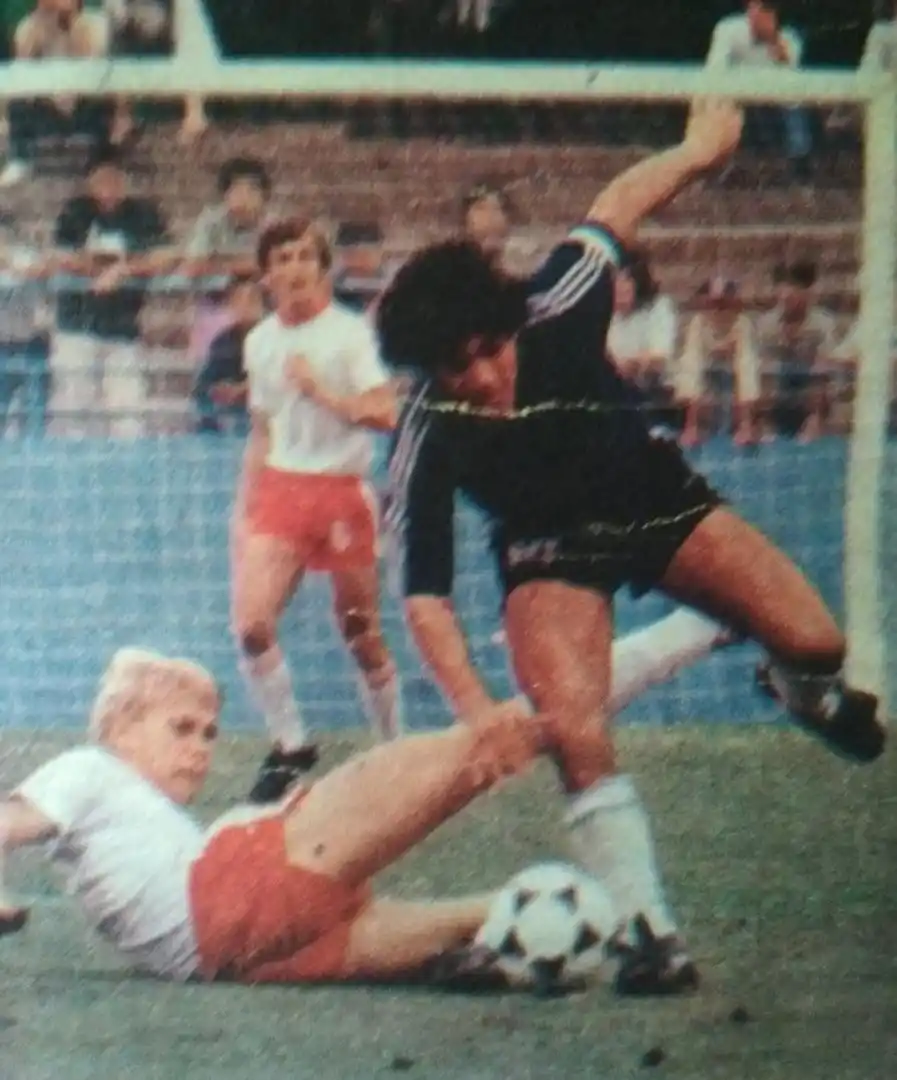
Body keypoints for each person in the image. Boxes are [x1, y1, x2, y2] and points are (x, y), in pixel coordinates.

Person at [375, 98, 886, 989]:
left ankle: (799, 691)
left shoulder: (556, 305)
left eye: (490, 350)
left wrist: (695, 150)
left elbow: (612, 207)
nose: (485, 376)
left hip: (649, 500)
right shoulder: (424, 429)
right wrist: (479, 709)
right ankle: (649, 935)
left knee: (818, 640)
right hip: (547, 551)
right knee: (576, 729)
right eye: (458, 367)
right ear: (428, 372)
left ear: (507, 324)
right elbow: (422, 594)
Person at [0, 607, 734, 991]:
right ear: (121, 723)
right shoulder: (88, 768)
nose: (201, 746)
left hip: (247, 957)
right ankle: (693, 630)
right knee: (496, 736)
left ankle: (605, 933)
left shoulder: (135, 811)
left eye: (210, 731)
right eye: (180, 727)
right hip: (243, 887)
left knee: (489, 921)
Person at [232, 217, 403, 803]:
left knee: (360, 633)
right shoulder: (258, 342)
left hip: (340, 491)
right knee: (252, 625)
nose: (294, 268)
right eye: (282, 259)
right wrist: (245, 507)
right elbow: (261, 430)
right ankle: (290, 745)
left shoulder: (349, 334)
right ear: (266, 275)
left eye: (304, 256)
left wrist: (320, 392)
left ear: (321, 266)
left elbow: (385, 413)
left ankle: (392, 748)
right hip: (282, 489)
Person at [191, 272, 264, 434]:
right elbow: (204, 384)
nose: (245, 305)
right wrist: (218, 390)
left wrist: (243, 390)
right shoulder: (223, 341)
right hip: (235, 417)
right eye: (239, 299)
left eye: (251, 299)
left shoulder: (274, 336)